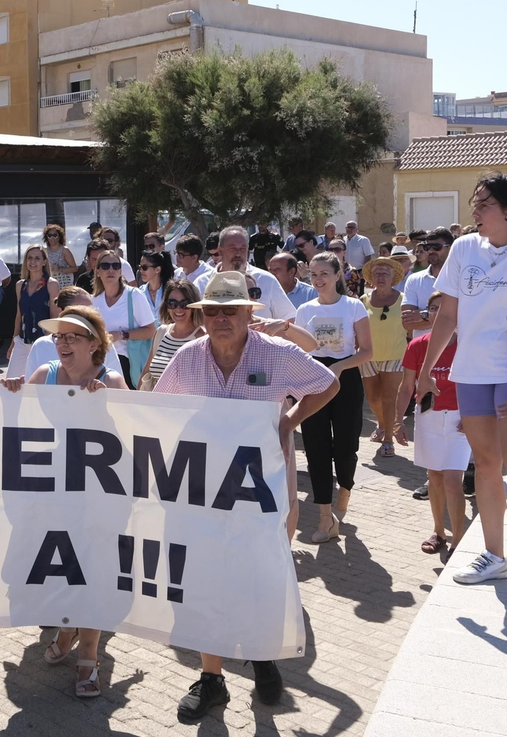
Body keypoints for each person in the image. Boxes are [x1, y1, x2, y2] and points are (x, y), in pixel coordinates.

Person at [153, 271, 338, 719]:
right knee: (203, 578)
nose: (220, 319)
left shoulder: (277, 354)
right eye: (211, 310)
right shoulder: (188, 358)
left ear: (247, 314)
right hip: (203, 486)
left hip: (262, 487)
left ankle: (262, 658)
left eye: (230, 310)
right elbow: (158, 407)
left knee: (259, 574)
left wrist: (287, 423)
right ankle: (212, 679)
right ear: (201, 316)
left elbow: (328, 384)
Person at [417, 174, 507, 585]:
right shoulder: (464, 247)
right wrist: (427, 371)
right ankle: (494, 556)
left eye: (484, 204)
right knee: (485, 464)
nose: (475, 211)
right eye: (475, 203)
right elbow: (447, 315)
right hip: (472, 369)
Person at [1, 307, 126, 698]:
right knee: (59, 569)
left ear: (94, 343)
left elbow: (138, 437)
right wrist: (6, 393)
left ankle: (89, 654)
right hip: (51, 495)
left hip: (96, 498)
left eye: (73, 336)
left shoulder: (113, 380)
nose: (63, 343)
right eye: (59, 337)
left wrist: (109, 406)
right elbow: (14, 425)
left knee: (92, 572)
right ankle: (68, 626)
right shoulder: (44, 375)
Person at [294, 253, 373, 537]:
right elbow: (300, 349)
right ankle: (325, 517)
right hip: (313, 377)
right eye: (313, 274)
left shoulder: (353, 307)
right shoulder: (304, 310)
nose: (318, 280)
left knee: (345, 444)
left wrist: (338, 367)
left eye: (324, 273)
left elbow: (367, 351)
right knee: (316, 447)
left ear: (338, 274)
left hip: (346, 377)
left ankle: (346, 487)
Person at [399, 292, 467, 554]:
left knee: (452, 479)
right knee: (434, 478)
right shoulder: (417, 345)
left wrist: (475, 417)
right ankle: (439, 532)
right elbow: (406, 387)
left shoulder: (468, 345)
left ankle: (458, 538)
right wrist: (397, 421)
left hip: (461, 420)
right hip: (427, 416)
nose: (439, 312)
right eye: (433, 308)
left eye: (445, 308)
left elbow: (481, 385)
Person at [359, 253, 409, 454]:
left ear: (392, 277)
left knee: (389, 398)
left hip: (395, 355)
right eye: (376, 273)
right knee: (372, 399)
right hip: (367, 356)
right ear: (370, 278)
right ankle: (382, 424)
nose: (380, 277)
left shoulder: (404, 300)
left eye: (385, 273)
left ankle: (388, 439)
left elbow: (411, 329)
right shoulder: (363, 300)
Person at [18, 287, 121, 378]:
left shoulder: (104, 345)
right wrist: (15, 388)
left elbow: (119, 395)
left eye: (91, 310)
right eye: (80, 311)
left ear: (94, 346)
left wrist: (102, 390)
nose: (88, 315)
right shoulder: (40, 346)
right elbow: (30, 393)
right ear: (61, 311)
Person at [90, 246, 156, 387]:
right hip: (101, 363)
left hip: (129, 362)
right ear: (97, 271)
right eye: (105, 266)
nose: (111, 270)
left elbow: (151, 331)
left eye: (116, 265)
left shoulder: (134, 296)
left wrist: (121, 335)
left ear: (121, 271)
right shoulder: (94, 301)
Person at [211, 225, 297, 320]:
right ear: (220, 250)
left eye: (243, 249)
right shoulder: (203, 282)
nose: (238, 254)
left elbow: (289, 319)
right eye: (233, 248)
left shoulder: (266, 280)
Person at [139, 279, 205, 391]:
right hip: (155, 404)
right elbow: (146, 371)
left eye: (184, 304)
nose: (178, 309)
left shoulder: (202, 338)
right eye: (172, 303)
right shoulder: (161, 332)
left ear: (193, 307)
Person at [6, 244, 59, 378]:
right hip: (23, 340)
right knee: (11, 379)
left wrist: (48, 341)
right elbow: (19, 315)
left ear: (44, 262)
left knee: (40, 381)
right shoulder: (20, 285)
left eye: (37, 258)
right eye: (29, 258)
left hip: (43, 340)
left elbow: (55, 316)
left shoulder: (51, 284)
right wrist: (14, 339)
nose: (32, 262)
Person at [401, 227, 451, 335]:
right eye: (428, 247)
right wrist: (446, 317)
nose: (431, 251)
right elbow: (407, 324)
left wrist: (424, 315)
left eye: (437, 247)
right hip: (422, 349)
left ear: (450, 248)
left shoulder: (461, 278)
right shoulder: (414, 280)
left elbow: (462, 317)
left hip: (455, 349)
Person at [43, 223, 79, 290]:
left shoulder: (64, 250)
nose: (52, 238)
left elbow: (74, 268)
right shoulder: (44, 250)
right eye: (49, 235)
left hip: (64, 284)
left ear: (59, 237)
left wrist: (60, 269)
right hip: (49, 284)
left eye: (55, 235)